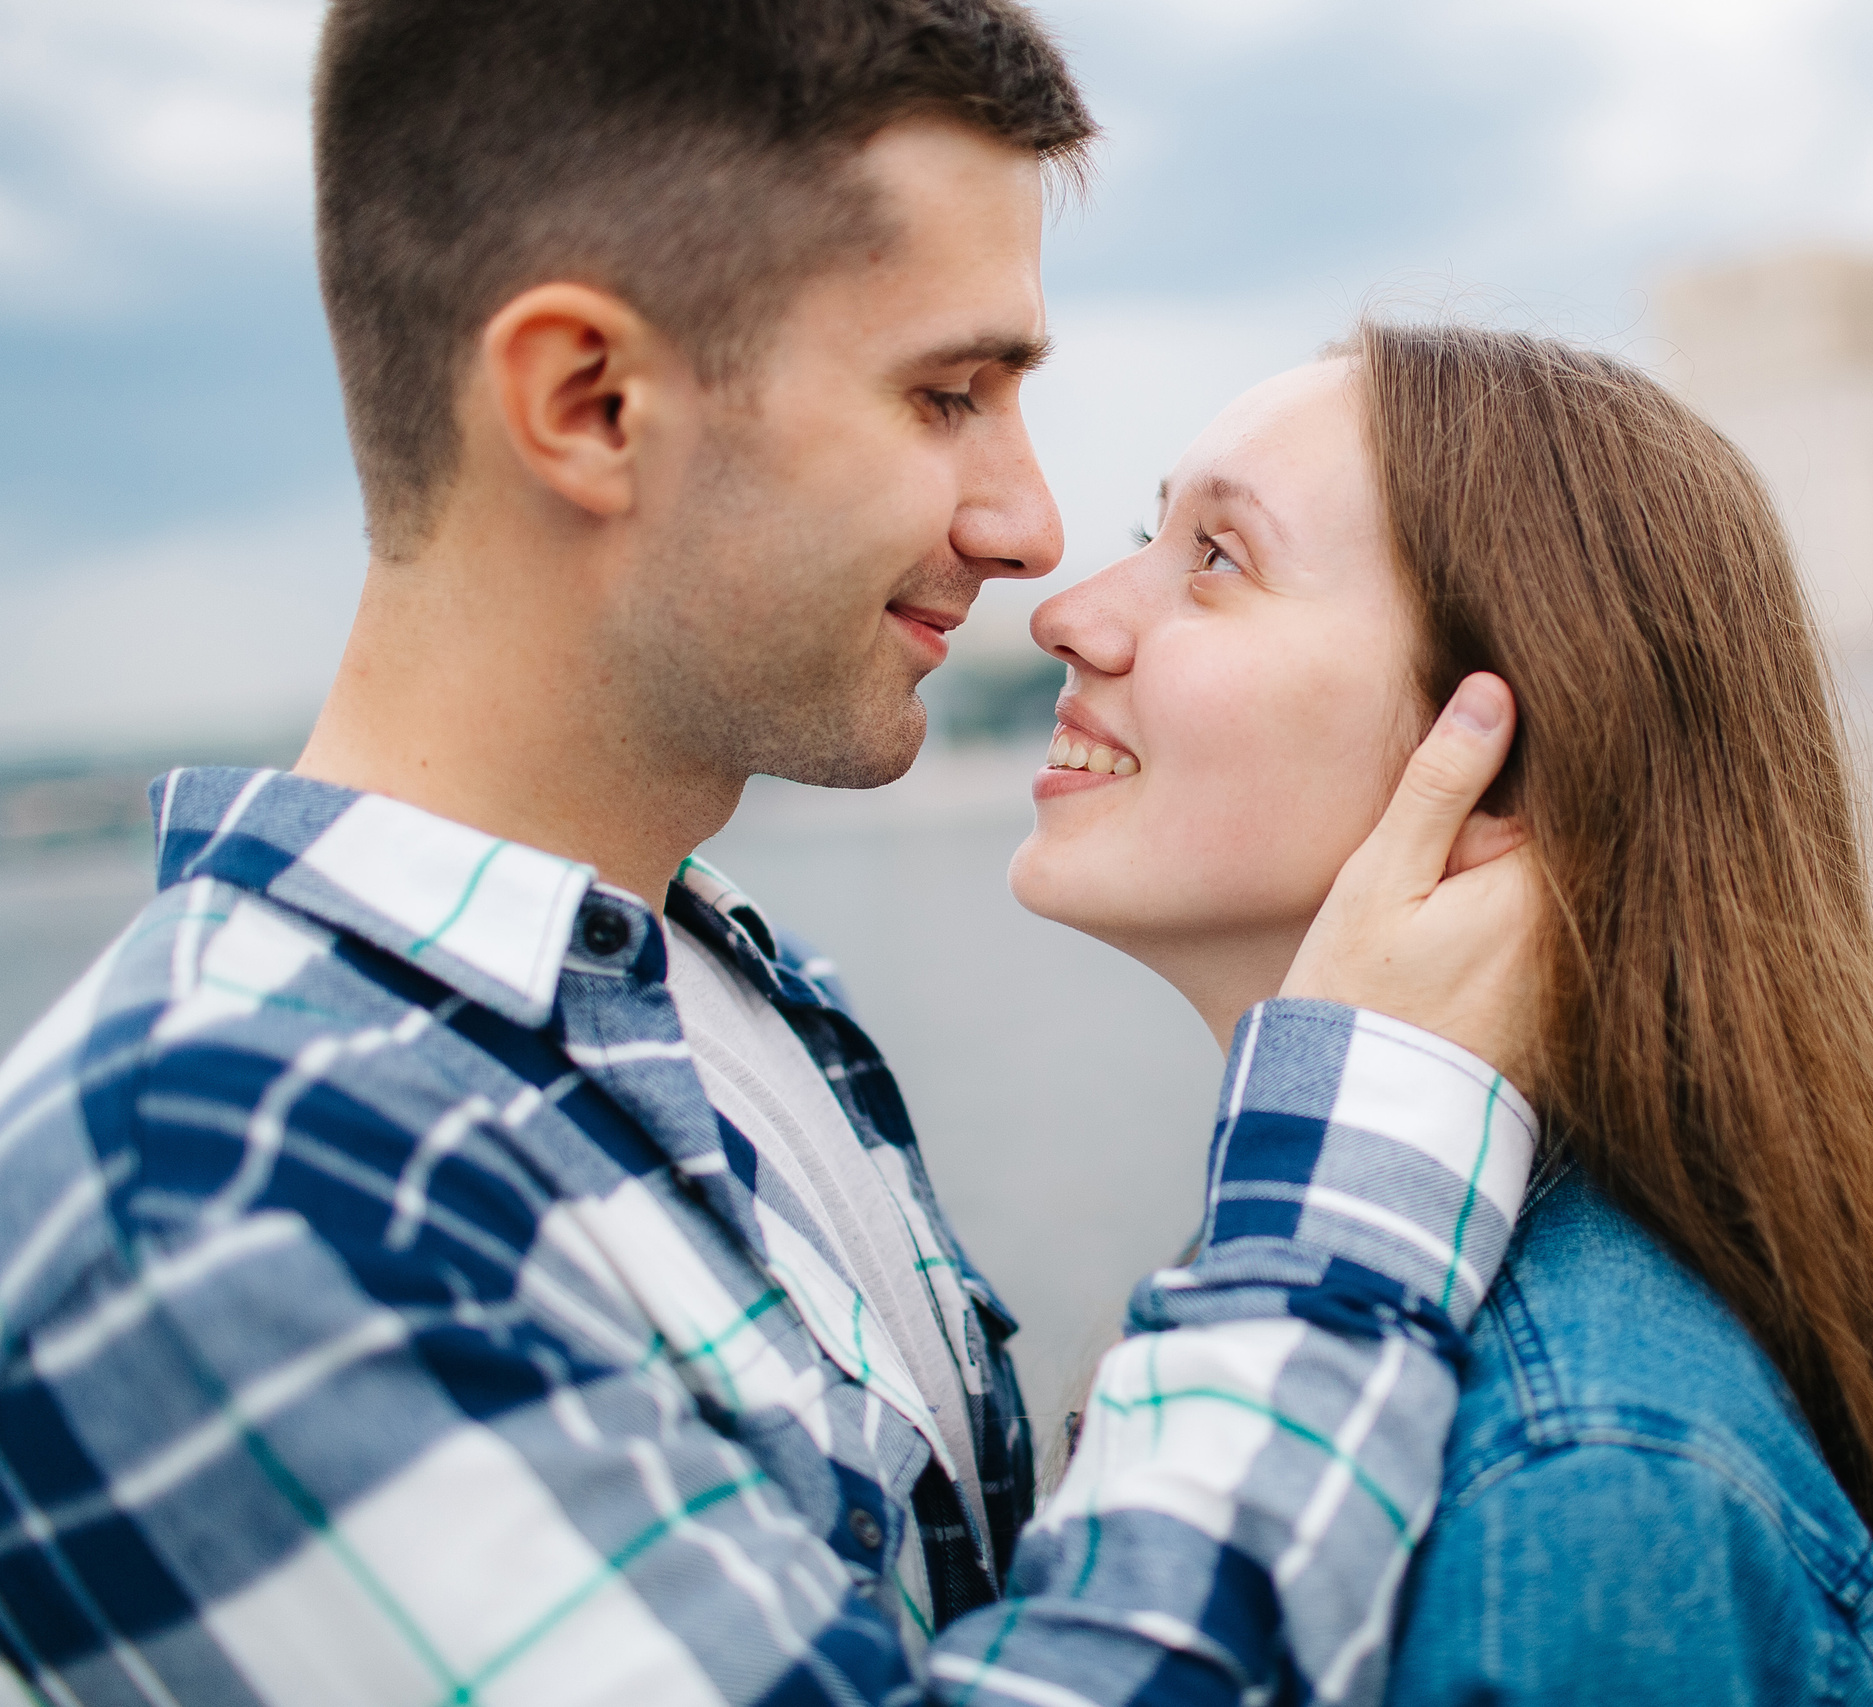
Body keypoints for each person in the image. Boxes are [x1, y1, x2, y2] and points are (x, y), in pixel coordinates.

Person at [0, 7, 1548, 1706]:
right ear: (589, 403)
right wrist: (1361, 1155)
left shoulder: (709, 982)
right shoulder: (210, 1183)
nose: (1030, 528)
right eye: (946, 393)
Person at [1009, 323, 1873, 1706]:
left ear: (1498, 769)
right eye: (1148, 535)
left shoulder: (1579, 1483)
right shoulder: (1397, 1295)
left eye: (1217, 559)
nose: (1068, 609)